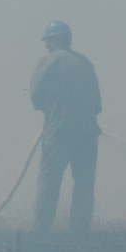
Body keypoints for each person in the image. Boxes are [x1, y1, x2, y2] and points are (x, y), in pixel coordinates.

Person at [29, 20, 101, 232]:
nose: (46, 45)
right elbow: (97, 101)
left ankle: (40, 230)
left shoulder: (49, 61)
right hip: (88, 132)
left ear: (56, 39)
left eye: (48, 41)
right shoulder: (85, 63)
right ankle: (80, 232)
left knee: (49, 182)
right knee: (84, 185)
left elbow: (35, 94)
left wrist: (48, 112)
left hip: (58, 130)